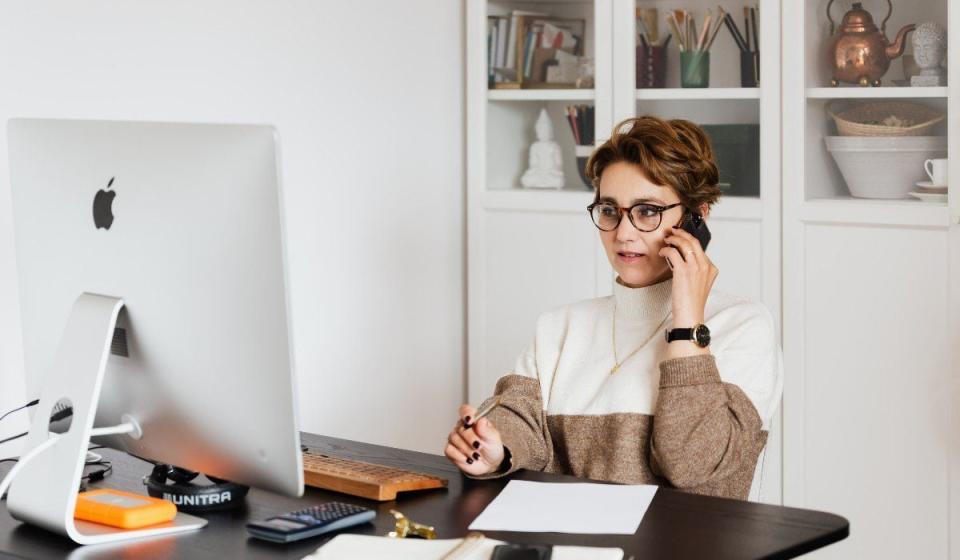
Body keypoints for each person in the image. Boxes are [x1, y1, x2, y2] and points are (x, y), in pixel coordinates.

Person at [444, 116, 783, 500]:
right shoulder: (559, 326)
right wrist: (495, 450)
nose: (623, 233)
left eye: (647, 211)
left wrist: (687, 320)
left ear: (697, 218)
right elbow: (519, 419)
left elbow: (691, 464)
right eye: (610, 210)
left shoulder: (743, 326)